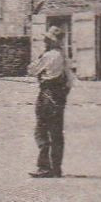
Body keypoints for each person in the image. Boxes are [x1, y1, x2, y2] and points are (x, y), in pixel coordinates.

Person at [29, 26, 73, 178]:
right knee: (56, 132)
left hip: (47, 94)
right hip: (59, 96)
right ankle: (56, 168)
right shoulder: (63, 56)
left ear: (51, 41)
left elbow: (32, 70)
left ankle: (44, 167)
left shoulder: (49, 55)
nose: (45, 41)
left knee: (41, 130)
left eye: (47, 39)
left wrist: (39, 58)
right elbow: (70, 81)